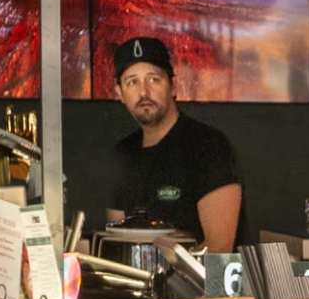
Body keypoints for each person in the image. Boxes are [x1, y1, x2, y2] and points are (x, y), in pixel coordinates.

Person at [104, 35, 243, 249]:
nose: (144, 92)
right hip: (133, 281)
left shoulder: (209, 147)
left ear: (174, 86)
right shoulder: (121, 155)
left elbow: (219, 248)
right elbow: (116, 241)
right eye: (132, 82)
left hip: (197, 282)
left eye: (154, 79)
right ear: (119, 93)